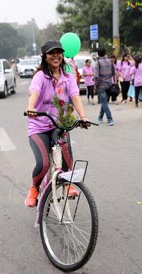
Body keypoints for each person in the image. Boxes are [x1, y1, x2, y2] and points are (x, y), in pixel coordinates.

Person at [25, 40, 88, 207]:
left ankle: (67, 185)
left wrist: (83, 116)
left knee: (67, 156)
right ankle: (34, 188)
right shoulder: (40, 76)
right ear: (45, 57)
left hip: (58, 125)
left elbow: (75, 97)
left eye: (58, 52)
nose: (55, 55)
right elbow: (34, 92)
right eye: (51, 53)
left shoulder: (68, 77)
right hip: (38, 127)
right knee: (43, 163)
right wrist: (31, 107)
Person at [94, 47, 115, 126]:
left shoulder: (98, 62)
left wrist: (95, 85)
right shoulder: (110, 61)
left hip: (101, 85)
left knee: (104, 102)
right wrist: (115, 81)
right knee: (104, 102)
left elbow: (96, 76)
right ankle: (100, 117)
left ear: (98, 54)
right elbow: (114, 72)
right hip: (109, 84)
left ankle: (110, 119)